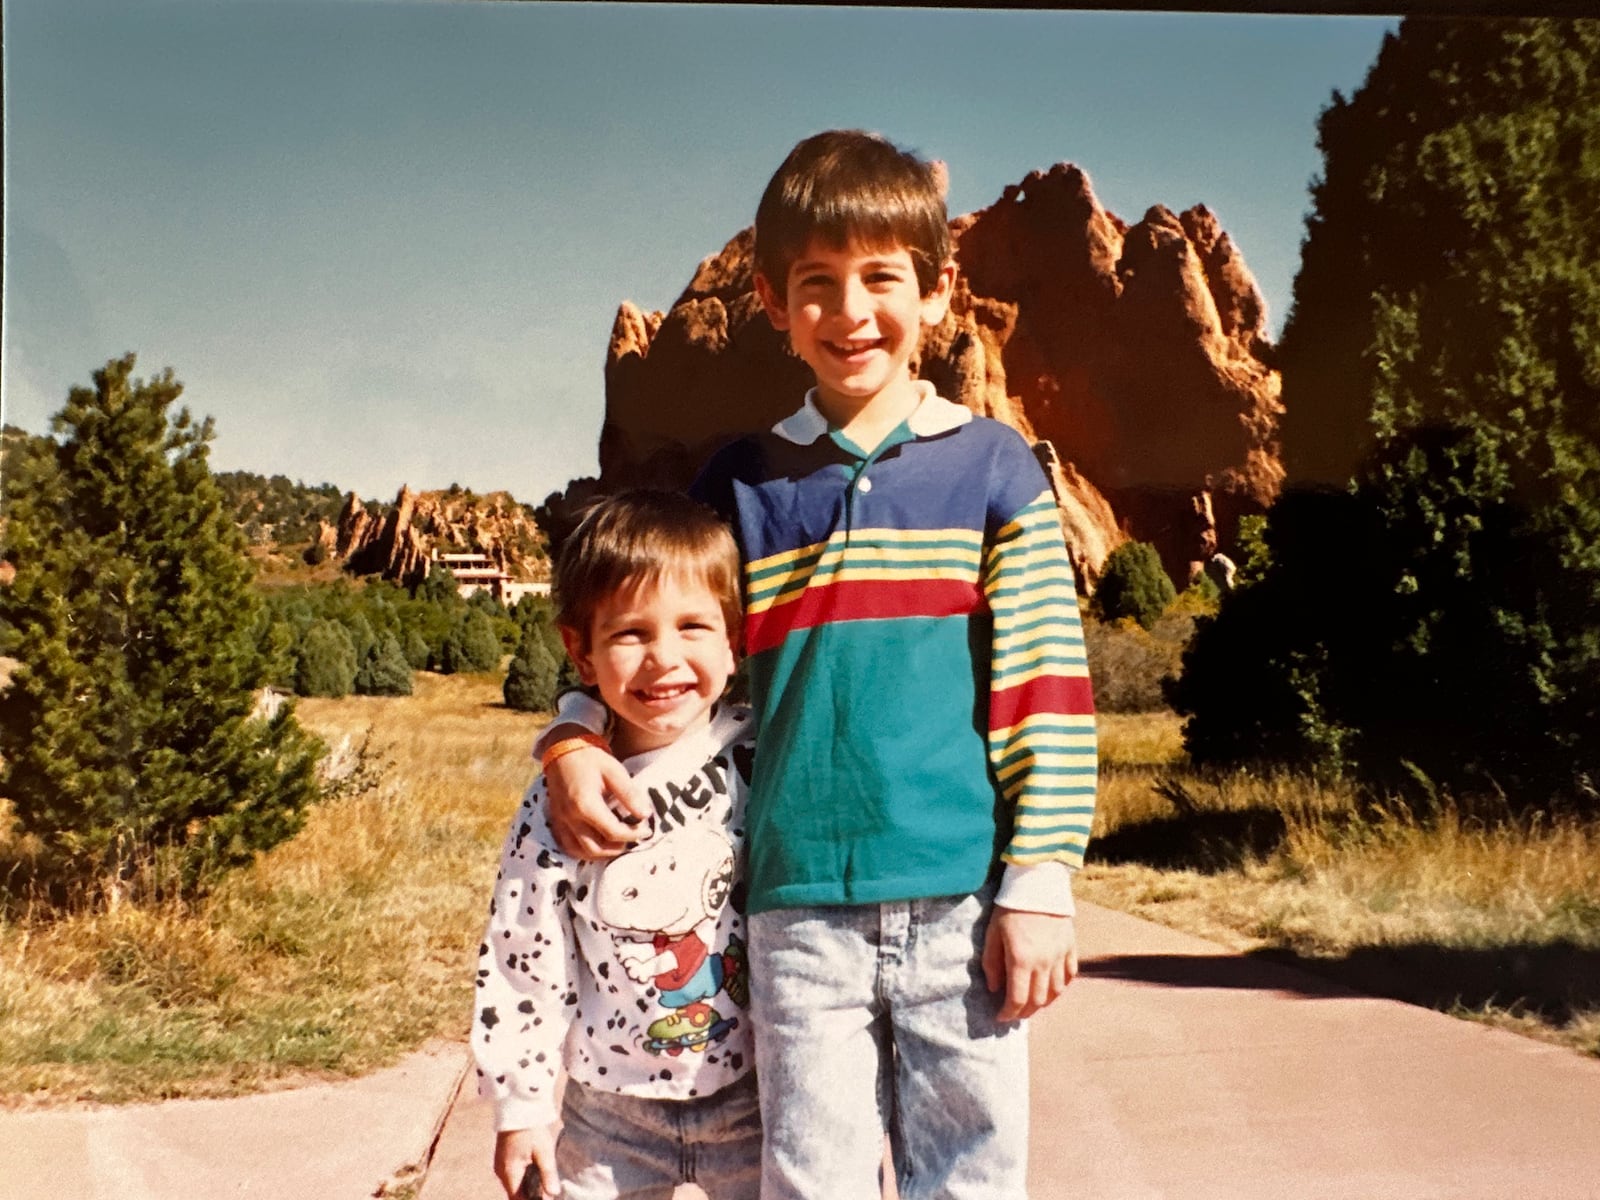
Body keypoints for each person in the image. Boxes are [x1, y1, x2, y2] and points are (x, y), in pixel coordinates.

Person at [538, 128, 1097, 1200]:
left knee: (970, 1183)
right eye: (818, 284)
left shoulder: (993, 470)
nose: (851, 312)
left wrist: (1041, 885)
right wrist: (573, 732)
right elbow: (650, 644)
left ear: (935, 294)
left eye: (882, 279)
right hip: (792, 917)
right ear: (773, 301)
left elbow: (1046, 694)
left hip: (961, 909)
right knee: (813, 1185)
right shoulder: (741, 485)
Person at [473, 489, 761, 1200]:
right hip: (609, 1112)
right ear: (582, 650)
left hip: (759, 1098)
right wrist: (523, 1109)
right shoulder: (563, 798)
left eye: (694, 626)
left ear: (735, 640)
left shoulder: (762, 755)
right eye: (631, 634)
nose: (664, 659)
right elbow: (523, 954)